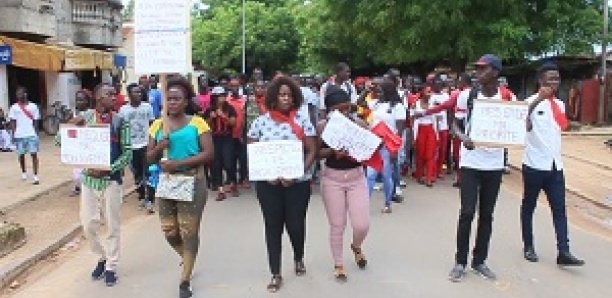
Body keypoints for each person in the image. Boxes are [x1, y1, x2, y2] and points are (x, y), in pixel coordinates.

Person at [448, 54, 516, 282]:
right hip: (471, 162)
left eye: (483, 69)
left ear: (495, 72)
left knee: (486, 215)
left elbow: (518, 124)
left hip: (494, 164)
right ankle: (460, 262)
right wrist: (463, 137)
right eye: (476, 69)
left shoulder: (507, 97)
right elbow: (454, 124)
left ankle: (480, 261)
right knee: (467, 212)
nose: (477, 73)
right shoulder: (467, 96)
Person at [247, 76, 317, 293]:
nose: (286, 98)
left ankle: (298, 256)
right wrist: (265, 174)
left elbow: (312, 151)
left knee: (295, 224)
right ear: (273, 97)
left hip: (297, 184)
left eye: (289, 95)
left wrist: (297, 173)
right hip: (268, 185)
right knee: (272, 226)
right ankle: (275, 272)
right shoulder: (260, 122)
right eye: (281, 95)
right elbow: (253, 151)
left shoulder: (302, 121)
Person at [146, 76, 213, 298]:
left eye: (177, 99)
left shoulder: (197, 124)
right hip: (167, 183)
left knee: (188, 230)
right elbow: (148, 158)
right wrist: (159, 148)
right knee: (169, 230)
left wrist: (179, 163)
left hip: (193, 181)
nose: (172, 103)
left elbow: (208, 154)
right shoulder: (157, 125)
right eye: (169, 99)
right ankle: (187, 257)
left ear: (186, 102)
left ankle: (185, 280)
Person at [62, 83, 132, 287]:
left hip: (111, 181)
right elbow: (62, 142)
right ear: (99, 97)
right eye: (109, 94)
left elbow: (127, 152)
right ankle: (101, 256)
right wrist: (72, 124)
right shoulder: (86, 119)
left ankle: (111, 265)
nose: (114, 97)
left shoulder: (120, 121)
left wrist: (109, 168)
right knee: (87, 224)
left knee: (112, 225)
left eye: (114, 94)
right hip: (89, 181)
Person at [521, 63, 584, 267]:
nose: (554, 82)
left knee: (559, 209)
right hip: (534, 165)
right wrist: (539, 98)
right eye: (551, 78)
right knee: (529, 206)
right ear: (541, 80)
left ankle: (563, 251)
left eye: (557, 79)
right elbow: (520, 121)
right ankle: (528, 246)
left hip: (555, 166)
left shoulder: (560, 105)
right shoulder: (529, 102)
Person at [317, 86, 369, 281]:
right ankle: (338, 263)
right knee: (337, 225)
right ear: (330, 110)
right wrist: (333, 151)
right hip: (333, 179)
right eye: (339, 109)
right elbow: (316, 154)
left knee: (361, 224)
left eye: (347, 108)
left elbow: (370, 149)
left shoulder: (360, 123)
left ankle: (356, 246)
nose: (344, 112)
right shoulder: (323, 126)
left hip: (356, 177)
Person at [358, 80, 406, 213]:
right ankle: (364, 204)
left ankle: (387, 203)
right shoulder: (377, 104)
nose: (378, 93)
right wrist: (367, 90)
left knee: (386, 175)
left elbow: (400, 131)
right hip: (374, 143)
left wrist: (396, 149)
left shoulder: (397, 107)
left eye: (380, 90)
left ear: (388, 91)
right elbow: (359, 103)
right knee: (370, 175)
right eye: (377, 90)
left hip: (388, 145)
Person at [119, 83, 155, 212]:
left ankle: (150, 199)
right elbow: (121, 129)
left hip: (146, 145)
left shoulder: (147, 107)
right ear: (129, 95)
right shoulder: (123, 110)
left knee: (149, 172)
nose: (138, 94)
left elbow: (152, 125)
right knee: (137, 173)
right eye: (135, 92)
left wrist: (153, 143)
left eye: (140, 92)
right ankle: (141, 197)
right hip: (131, 146)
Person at [203, 86, 238, 200]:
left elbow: (233, 123)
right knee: (216, 164)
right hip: (214, 138)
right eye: (218, 96)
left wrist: (223, 116)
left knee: (228, 162)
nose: (220, 98)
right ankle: (220, 189)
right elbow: (205, 126)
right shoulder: (209, 110)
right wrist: (210, 118)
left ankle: (233, 183)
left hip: (227, 137)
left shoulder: (230, 108)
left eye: (222, 96)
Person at [9, 86, 41, 184]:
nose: (18, 96)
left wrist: (36, 133)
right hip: (19, 135)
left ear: (25, 94)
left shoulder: (33, 106)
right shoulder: (14, 107)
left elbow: (36, 121)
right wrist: (13, 134)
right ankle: (24, 171)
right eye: (17, 94)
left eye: (20, 94)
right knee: (21, 155)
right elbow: (12, 121)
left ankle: (35, 176)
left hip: (31, 134)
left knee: (33, 154)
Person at [413, 90, 439, 187]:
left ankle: (428, 178)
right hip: (420, 130)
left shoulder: (432, 104)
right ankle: (419, 176)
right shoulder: (416, 104)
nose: (429, 94)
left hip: (430, 130)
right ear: (423, 93)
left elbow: (435, 120)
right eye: (428, 92)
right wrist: (414, 136)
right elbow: (413, 117)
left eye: (431, 92)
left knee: (430, 154)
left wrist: (437, 136)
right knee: (420, 154)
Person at [227, 78, 248, 189]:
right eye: (232, 86)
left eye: (237, 86)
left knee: (243, 158)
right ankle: (232, 181)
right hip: (229, 135)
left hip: (241, 134)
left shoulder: (244, 100)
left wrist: (243, 134)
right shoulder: (226, 101)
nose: (234, 88)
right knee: (231, 159)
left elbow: (245, 117)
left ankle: (243, 179)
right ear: (229, 87)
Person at [429, 76, 450, 180]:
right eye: (435, 84)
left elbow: (450, 110)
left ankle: (439, 171)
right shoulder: (430, 96)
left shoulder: (446, 96)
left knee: (442, 150)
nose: (437, 86)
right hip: (433, 127)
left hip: (444, 126)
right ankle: (431, 172)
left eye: (439, 84)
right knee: (433, 150)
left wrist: (450, 125)